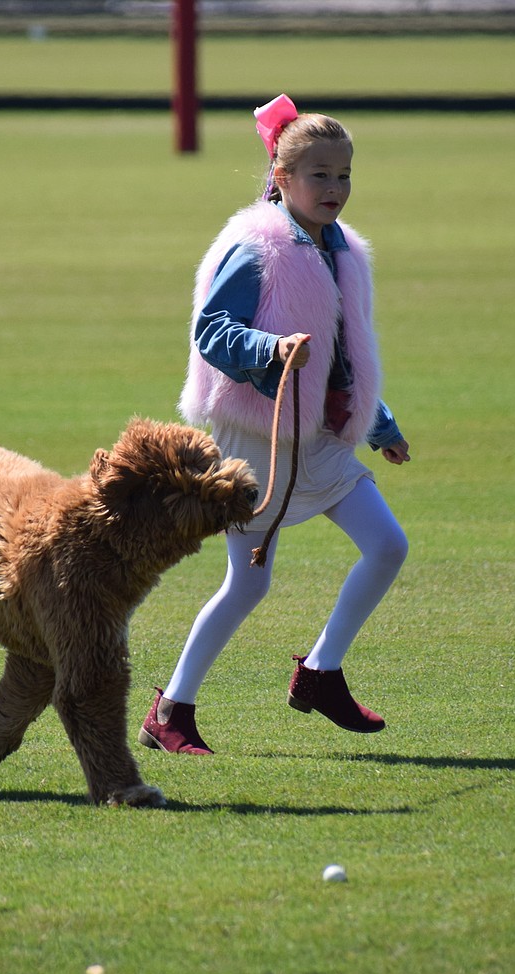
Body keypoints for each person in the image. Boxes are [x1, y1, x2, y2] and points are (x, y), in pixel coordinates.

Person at [138, 94, 411, 755]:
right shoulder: (256, 246)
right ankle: (170, 712)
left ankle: (319, 672)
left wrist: (379, 423)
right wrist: (270, 349)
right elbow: (212, 329)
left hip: (320, 438)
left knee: (387, 545)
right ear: (282, 178)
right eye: (319, 174)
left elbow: (347, 355)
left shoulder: (342, 246)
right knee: (249, 583)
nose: (335, 188)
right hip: (256, 434)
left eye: (344, 174)